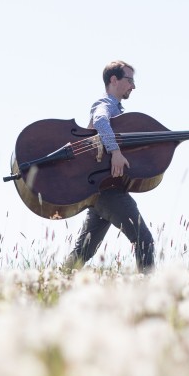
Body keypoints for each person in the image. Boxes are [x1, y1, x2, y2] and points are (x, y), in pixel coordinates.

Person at [63, 60, 155, 273]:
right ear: (114, 80)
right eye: (129, 80)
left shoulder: (117, 110)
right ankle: (149, 291)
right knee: (145, 240)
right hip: (109, 191)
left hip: (102, 188)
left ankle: (53, 283)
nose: (133, 86)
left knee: (82, 252)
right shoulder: (106, 104)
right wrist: (115, 152)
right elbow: (100, 121)